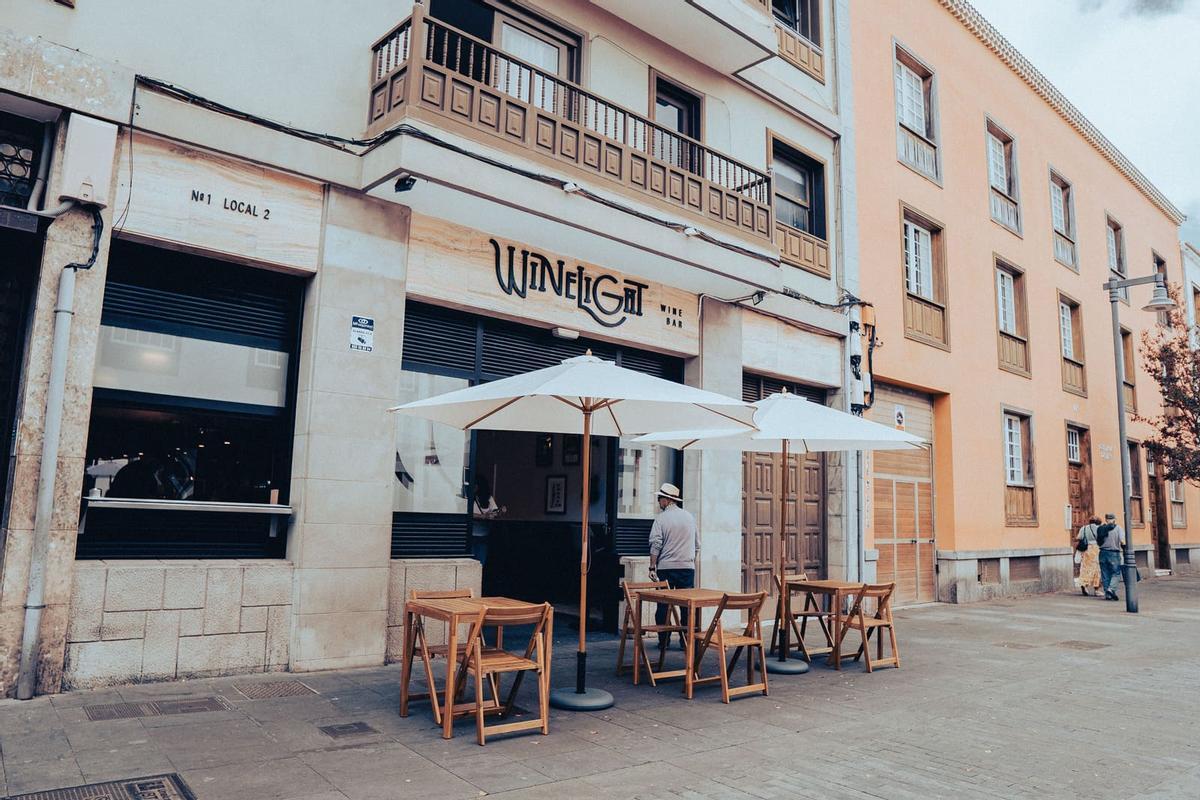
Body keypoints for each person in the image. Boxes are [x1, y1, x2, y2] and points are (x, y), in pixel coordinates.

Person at [648, 483, 698, 650]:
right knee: (687, 606)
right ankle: (686, 641)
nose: (658, 501)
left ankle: (664, 641)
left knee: (663, 606)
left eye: (659, 498)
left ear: (667, 500)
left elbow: (656, 545)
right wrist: (688, 560)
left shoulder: (661, 519)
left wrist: (652, 567)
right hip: (687, 568)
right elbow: (697, 545)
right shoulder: (690, 517)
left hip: (666, 568)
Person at [471, 474, 504, 566]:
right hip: (470, 534)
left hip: (483, 535)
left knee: (481, 562)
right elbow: (466, 514)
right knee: (471, 562)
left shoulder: (488, 498)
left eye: (476, 485)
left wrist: (500, 512)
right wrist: (483, 517)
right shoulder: (469, 498)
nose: (474, 487)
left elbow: (495, 512)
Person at [1096, 512, 1127, 601]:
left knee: (1105, 574)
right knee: (1116, 573)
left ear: (1106, 519)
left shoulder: (1100, 528)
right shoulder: (1118, 528)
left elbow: (1098, 540)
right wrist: (1125, 550)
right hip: (1114, 553)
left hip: (1102, 553)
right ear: (1114, 519)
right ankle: (1111, 589)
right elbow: (1122, 541)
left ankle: (1107, 594)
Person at [1075, 515, 1102, 596]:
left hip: (1086, 550)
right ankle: (1096, 590)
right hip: (1096, 549)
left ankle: (1084, 585)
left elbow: (1078, 537)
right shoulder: (1099, 528)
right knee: (1096, 569)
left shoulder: (1083, 528)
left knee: (1085, 568)